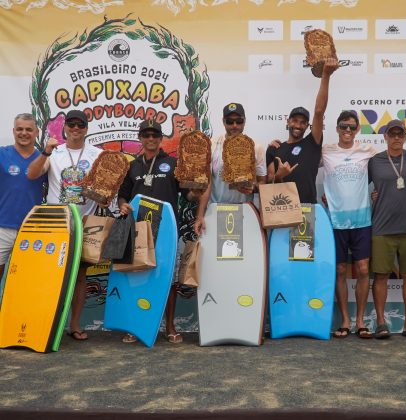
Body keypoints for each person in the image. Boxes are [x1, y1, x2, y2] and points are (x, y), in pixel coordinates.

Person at [118, 119, 200, 344]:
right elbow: (123, 194)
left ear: (161, 138)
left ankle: (170, 326)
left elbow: (189, 196)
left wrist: (197, 190)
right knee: (137, 277)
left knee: (168, 279)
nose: (151, 139)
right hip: (138, 229)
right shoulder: (133, 166)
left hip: (166, 230)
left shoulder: (173, 164)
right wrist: (122, 204)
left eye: (155, 135)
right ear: (140, 138)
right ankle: (135, 326)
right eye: (146, 135)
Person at [27, 109, 102, 341]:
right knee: (52, 274)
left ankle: (75, 324)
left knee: (80, 276)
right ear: (65, 127)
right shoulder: (53, 152)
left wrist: (101, 196)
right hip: (56, 223)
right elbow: (32, 174)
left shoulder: (98, 155)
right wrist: (44, 151)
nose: (76, 129)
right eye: (71, 124)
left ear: (86, 128)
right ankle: (49, 323)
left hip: (85, 224)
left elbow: (105, 192)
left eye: (80, 125)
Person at [322, 111, 376, 338]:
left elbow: (390, 163)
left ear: (357, 130)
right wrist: (279, 146)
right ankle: (345, 320)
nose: (347, 130)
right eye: (343, 126)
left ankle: (361, 321)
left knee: (363, 270)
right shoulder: (326, 151)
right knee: (340, 270)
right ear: (336, 128)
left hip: (362, 221)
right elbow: (301, 157)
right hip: (335, 221)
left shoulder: (368, 151)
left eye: (352, 127)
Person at [368, 119, 406, 340]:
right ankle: (381, 323)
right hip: (382, 227)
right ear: (385, 137)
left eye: (400, 134)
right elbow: (357, 184)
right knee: (380, 276)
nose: (396, 137)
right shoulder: (374, 161)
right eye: (392, 134)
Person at [266, 58, 339, 203]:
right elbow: (268, 186)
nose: (298, 125)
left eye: (302, 122)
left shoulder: (312, 143)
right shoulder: (274, 149)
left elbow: (319, 111)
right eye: (294, 121)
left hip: (308, 210)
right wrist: (279, 176)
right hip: (283, 210)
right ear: (288, 121)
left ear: (307, 126)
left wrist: (325, 75)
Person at [194, 102, 267, 235]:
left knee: (242, 254)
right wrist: (200, 215)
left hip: (245, 210)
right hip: (216, 208)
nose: (234, 126)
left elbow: (263, 181)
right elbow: (207, 183)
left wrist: (253, 187)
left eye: (239, 121)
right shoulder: (211, 145)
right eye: (230, 121)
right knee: (217, 254)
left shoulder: (256, 147)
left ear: (244, 121)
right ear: (223, 121)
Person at [0, 113, 47, 280]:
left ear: (37, 132)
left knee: (26, 278)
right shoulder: (2, 154)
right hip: (2, 226)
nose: (24, 133)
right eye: (19, 129)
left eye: (29, 129)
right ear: (13, 131)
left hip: (32, 228)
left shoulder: (44, 159)